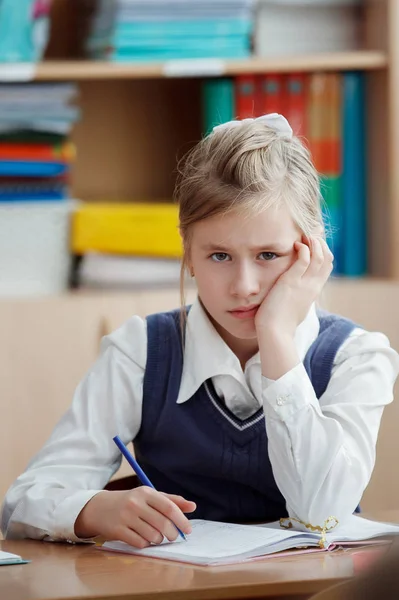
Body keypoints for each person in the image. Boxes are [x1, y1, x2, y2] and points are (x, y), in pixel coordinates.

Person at [1, 114, 398, 549]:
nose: (244, 286)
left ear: (311, 253)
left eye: (268, 254)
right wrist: (91, 510)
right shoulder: (141, 351)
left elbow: (323, 514)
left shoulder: (357, 357)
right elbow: (23, 501)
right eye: (219, 256)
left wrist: (277, 339)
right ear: (189, 254)